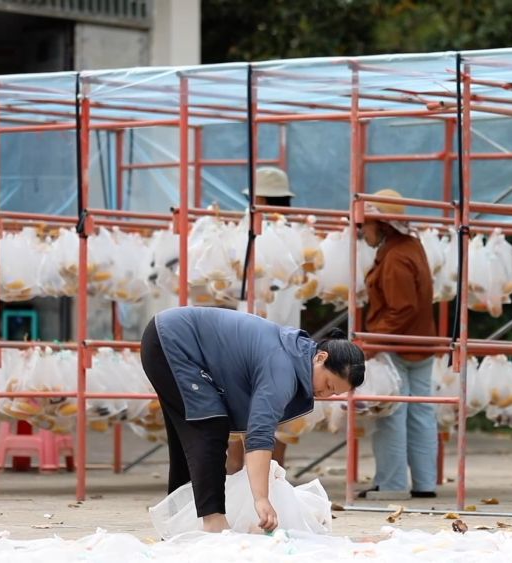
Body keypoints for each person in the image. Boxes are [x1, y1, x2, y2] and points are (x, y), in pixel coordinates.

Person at [140, 306, 365, 533]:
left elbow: (252, 426)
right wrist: (261, 500)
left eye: (333, 393)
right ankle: (213, 523)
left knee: (190, 438)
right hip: (172, 340)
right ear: (321, 358)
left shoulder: (294, 354)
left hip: (169, 337)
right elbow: (259, 433)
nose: (325, 395)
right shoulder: (283, 369)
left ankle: (180, 522)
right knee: (209, 425)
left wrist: (263, 483)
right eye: (327, 385)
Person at [357, 189, 439, 499]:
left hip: (396, 343)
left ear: (382, 225)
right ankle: (425, 483)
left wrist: (374, 341)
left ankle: (391, 485)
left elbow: (401, 308)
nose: (362, 230)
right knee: (421, 413)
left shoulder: (394, 257)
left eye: (366, 224)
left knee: (391, 413)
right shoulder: (410, 246)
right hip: (420, 342)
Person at [229, 165, 299, 472]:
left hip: (250, 333)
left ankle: (237, 477)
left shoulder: (250, 231)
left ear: (258, 197)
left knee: (241, 402)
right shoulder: (294, 235)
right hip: (288, 335)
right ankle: (273, 477)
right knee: (281, 406)